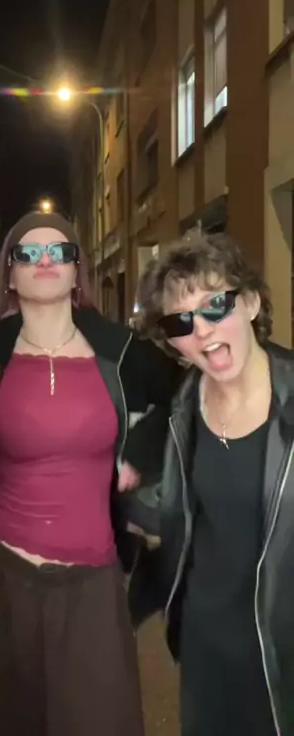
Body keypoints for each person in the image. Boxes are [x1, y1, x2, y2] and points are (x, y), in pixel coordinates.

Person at [0, 209, 181, 736]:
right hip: (3, 581)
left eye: (58, 251)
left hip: (92, 581)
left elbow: (184, 396)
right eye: (28, 253)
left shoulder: (119, 350)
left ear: (75, 268)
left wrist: (142, 450)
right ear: (11, 273)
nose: (45, 262)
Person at [131, 230, 294, 736]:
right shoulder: (182, 410)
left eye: (215, 306)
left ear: (250, 303)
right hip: (204, 652)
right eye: (181, 321)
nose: (201, 330)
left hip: (282, 659)